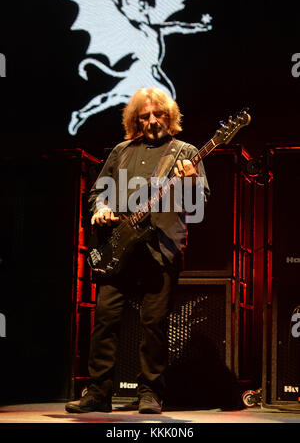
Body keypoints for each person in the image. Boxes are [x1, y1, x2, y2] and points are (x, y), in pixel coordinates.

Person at [65, 87, 210, 414]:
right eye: (144, 116)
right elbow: (97, 193)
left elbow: (200, 202)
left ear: (169, 116)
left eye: (158, 114)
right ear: (135, 120)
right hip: (118, 250)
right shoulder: (121, 151)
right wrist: (100, 209)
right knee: (104, 320)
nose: (152, 120)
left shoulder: (184, 153)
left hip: (161, 250)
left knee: (154, 325)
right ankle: (98, 392)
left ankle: (150, 393)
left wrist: (189, 182)